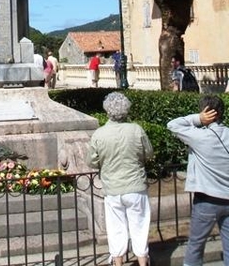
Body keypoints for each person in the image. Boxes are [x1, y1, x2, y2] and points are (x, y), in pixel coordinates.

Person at [86, 92, 153, 266]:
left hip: (113, 188)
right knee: (140, 227)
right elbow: (149, 153)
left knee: (116, 229)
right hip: (136, 186)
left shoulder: (99, 134)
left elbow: (92, 161)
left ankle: (118, 262)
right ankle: (143, 262)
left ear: (107, 110)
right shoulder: (136, 130)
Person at [167, 95, 229, 266]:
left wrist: (197, 118)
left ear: (206, 112)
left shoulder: (200, 137)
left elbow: (172, 125)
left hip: (207, 200)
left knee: (196, 245)